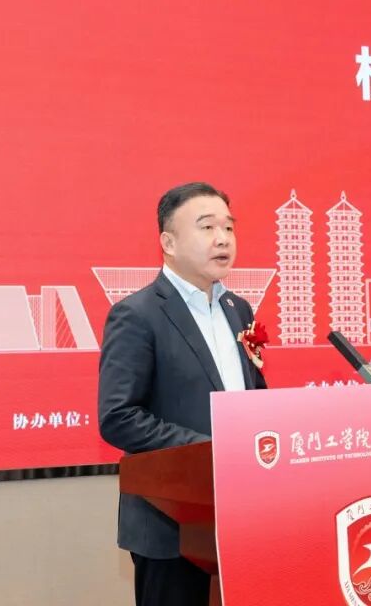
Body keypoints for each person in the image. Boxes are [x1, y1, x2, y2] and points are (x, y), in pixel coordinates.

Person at [98, 182, 268, 606]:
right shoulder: (137, 315)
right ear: (168, 243)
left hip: (239, 514)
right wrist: (208, 449)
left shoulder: (238, 310)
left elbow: (251, 397)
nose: (223, 239)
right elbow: (118, 416)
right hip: (170, 523)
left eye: (229, 227)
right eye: (207, 227)